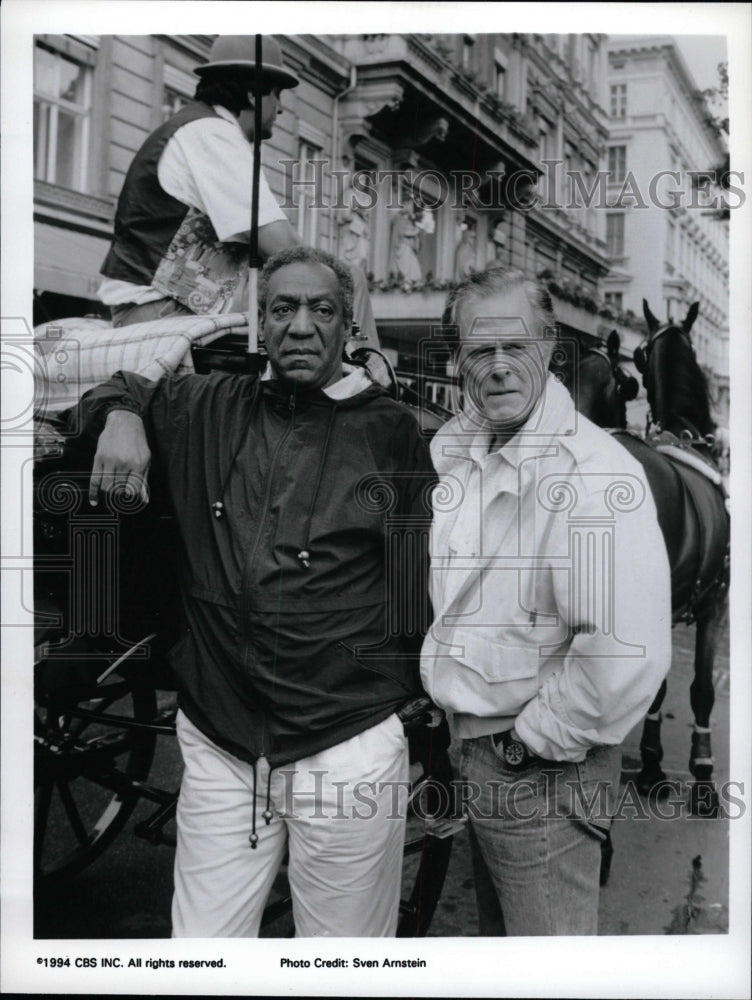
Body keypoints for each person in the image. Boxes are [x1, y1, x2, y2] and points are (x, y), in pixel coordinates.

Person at [80, 246, 437, 937]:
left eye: (322, 310)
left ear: (346, 326)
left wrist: (397, 707)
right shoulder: (205, 406)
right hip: (222, 745)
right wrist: (121, 417)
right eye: (283, 308)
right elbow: (120, 386)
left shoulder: (392, 433)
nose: (301, 326)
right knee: (202, 956)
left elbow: (416, 583)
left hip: (345, 746)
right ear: (260, 324)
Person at [420, 266, 672, 936]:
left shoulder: (591, 474)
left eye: (517, 347)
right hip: (482, 754)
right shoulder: (465, 455)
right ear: (458, 361)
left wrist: (526, 745)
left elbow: (621, 654)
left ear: (549, 347)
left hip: (541, 768)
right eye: (480, 351)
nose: (499, 367)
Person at [98, 35, 378, 346]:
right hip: (159, 311)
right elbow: (283, 246)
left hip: (163, 305)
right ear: (254, 94)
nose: (281, 109)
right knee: (347, 279)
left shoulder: (200, 129)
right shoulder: (212, 134)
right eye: (277, 95)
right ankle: (364, 378)